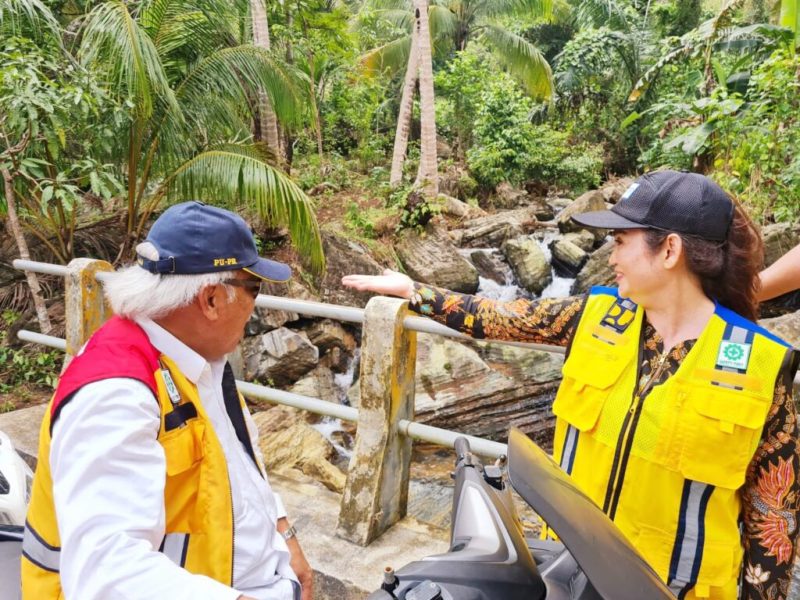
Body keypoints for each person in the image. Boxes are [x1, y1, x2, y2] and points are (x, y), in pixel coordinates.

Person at [343, 171, 800, 600]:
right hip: (565, 577)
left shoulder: (762, 366)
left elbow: (773, 524)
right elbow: (499, 317)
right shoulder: (594, 316)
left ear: (669, 251)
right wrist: (416, 292)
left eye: (621, 242)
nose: (612, 257)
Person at [21, 201, 313, 600]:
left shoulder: (199, 361)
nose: (254, 308)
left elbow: (238, 463)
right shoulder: (115, 393)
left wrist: (284, 534)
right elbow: (106, 574)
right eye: (254, 289)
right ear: (211, 299)